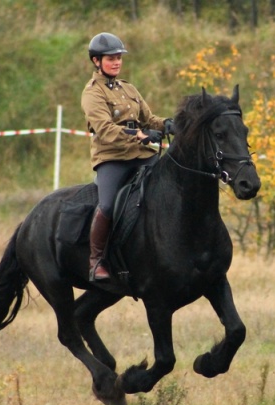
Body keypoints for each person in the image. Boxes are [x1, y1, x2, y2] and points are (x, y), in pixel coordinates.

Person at [82, 32, 173, 282]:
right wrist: (141, 135)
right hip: (112, 158)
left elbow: (150, 119)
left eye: (119, 57)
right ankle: (96, 260)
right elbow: (105, 129)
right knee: (108, 205)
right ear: (96, 61)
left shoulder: (129, 88)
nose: (117, 62)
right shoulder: (92, 93)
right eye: (111, 58)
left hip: (142, 155)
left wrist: (169, 124)